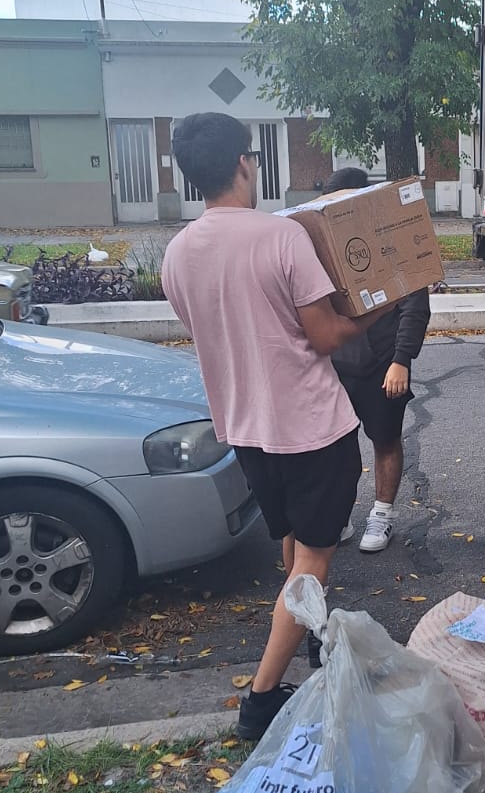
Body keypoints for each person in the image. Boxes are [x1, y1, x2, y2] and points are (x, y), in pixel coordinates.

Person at [161, 112, 398, 741]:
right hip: (311, 428)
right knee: (312, 560)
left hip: (244, 427)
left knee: (292, 543)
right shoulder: (280, 238)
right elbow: (324, 336)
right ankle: (262, 698)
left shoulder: (177, 253)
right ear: (244, 163)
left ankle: (314, 636)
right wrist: (383, 306)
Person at [322, 167, 431, 553]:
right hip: (336, 366)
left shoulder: (393, 243)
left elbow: (415, 304)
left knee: (385, 440)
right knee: (338, 448)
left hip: (384, 364)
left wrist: (401, 359)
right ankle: (339, 517)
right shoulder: (322, 249)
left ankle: (382, 515)